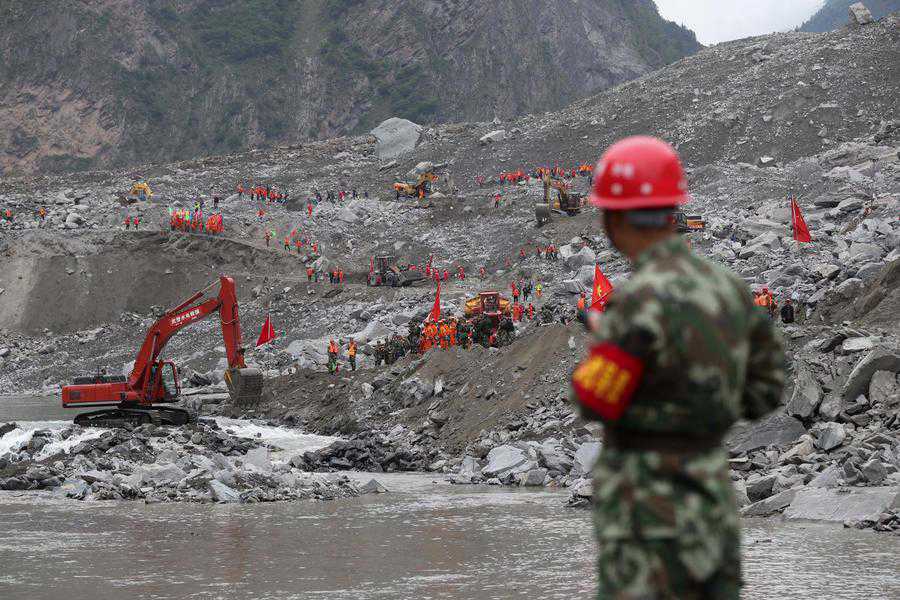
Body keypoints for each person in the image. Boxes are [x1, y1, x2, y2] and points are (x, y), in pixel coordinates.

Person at [573, 136, 784, 599]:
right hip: (711, 495)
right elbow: (769, 389)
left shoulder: (635, 300)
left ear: (615, 217)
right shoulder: (729, 288)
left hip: (645, 509)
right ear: (673, 208)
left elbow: (594, 400)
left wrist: (602, 344)